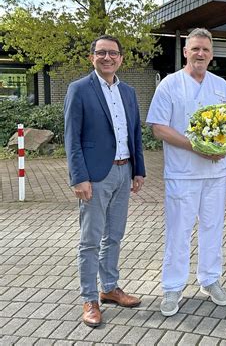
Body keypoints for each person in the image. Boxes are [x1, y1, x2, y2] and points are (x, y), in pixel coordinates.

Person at [146, 28, 226, 317]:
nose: (200, 54)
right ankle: (172, 287)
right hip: (182, 173)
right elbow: (158, 127)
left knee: (213, 228)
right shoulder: (170, 85)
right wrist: (196, 147)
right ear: (185, 51)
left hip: (215, 173)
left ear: (212, 54)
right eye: (195, 48)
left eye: (205, 50)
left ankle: (210, 279)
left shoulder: (223, 87)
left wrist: (225, 149)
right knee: (179, 232)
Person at [64, 35, 146, 327]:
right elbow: (71, 138)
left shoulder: (129, 92)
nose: (107, 57)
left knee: (114, 235)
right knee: (90, 241)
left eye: (113, 53)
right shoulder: (79, 90)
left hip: (124, 173)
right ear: (92, 57)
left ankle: (109, 288)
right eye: (101, 53)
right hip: (95, 177)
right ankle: (89, 298)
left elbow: (134, 133)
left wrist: (139, 170)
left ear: (121, 58)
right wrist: (79, 178)